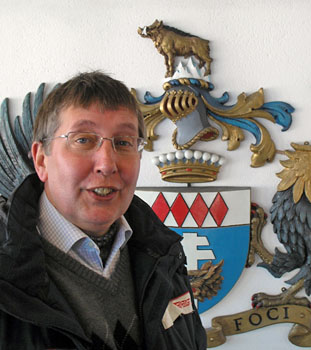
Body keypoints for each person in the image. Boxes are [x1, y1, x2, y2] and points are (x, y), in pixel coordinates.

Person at [0, 71, 207, 349]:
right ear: (41, 160)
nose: (107, 164)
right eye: (83, 139)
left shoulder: (165, 254)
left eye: (123, 142)